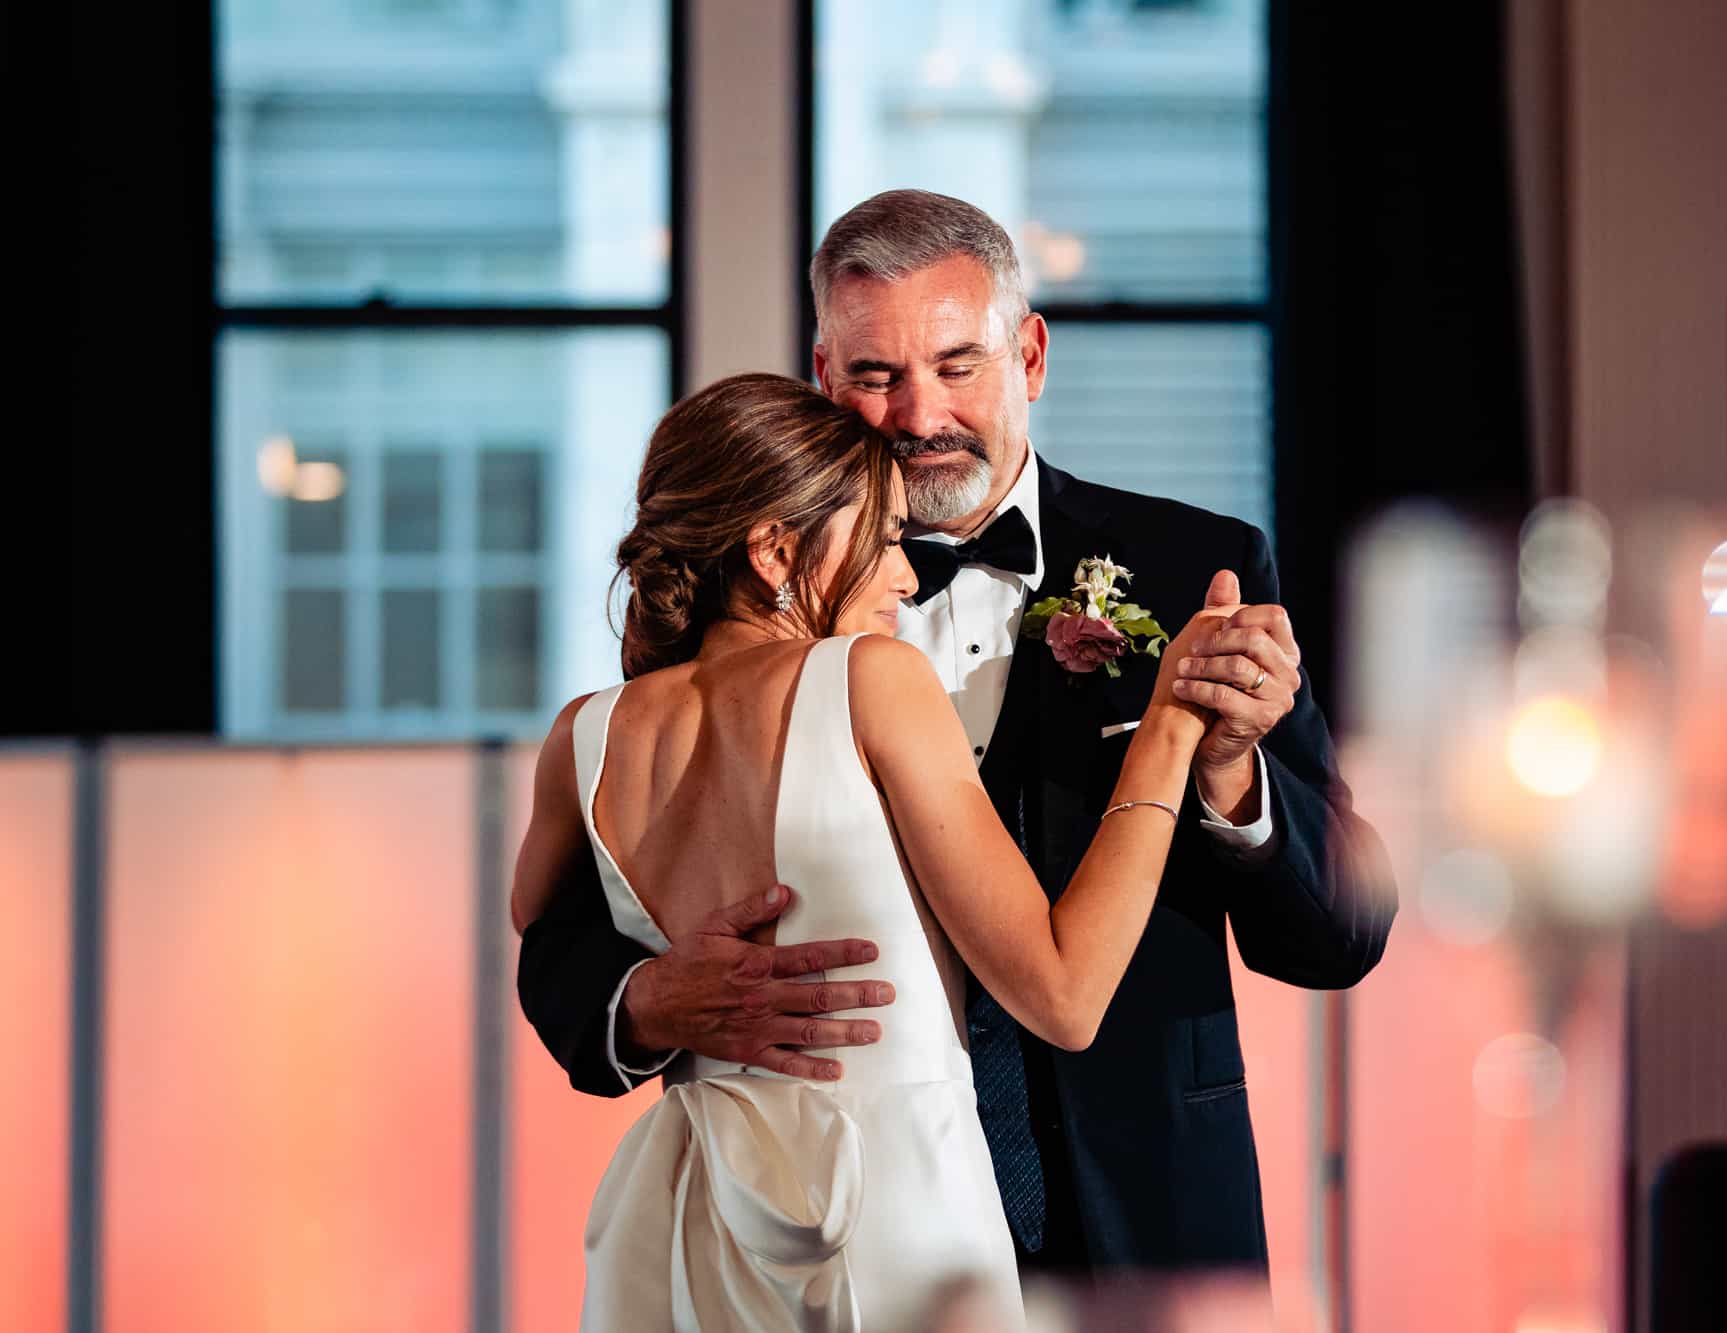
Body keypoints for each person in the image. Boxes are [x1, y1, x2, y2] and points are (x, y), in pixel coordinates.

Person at [515, 189, 1397, 1285]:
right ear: (823, 376)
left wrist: (1224, 769)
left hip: (1137, 1218)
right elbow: (560, 935)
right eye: (875, 375)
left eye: (955, 364)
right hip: (829, 1217)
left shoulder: (1192, 568)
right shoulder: (738, 637)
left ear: (1027, 355)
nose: (917, 412)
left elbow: (1338, 933)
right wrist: (641, 1001)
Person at [511, 371, 1228, 1329]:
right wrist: (1175, 724)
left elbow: (535, 923)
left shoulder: (582, 735)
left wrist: (649, 991)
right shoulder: (870, 679)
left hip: (687, 1218)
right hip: (891, 1204)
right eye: (886, 537)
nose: (904, 572)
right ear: (774, 551)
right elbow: (1064, 990)